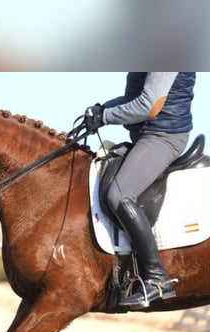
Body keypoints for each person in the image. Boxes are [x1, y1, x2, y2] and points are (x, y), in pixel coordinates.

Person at [83, 72, 196, 308]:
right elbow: (132, 97)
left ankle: (157, 278)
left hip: (164, 136)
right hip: (147, 135)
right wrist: (99, 109)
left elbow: (149, 105)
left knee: (119, 194)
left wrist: (105, 116)